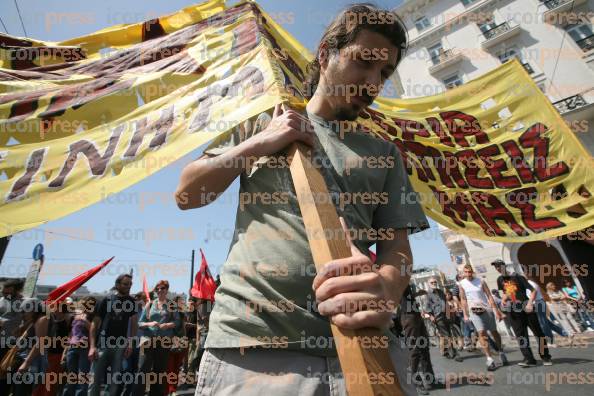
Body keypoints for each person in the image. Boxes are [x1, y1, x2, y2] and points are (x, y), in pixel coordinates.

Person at [175, 4, 429, 394]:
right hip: (255, 350)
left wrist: (387, 292)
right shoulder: (262, 120)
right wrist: (265, 140)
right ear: (326, 53)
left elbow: (397, 247)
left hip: (366, 345)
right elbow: (188, 193)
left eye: (385, 73)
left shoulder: (385, 153)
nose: (373, 83)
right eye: (364, 62)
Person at [492, 259, 552, 367]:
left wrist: (529, 303)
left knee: (538, 333)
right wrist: (504, 302)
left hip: (526, 308)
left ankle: (546, 356)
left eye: (499, 266)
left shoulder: (518, 277)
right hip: (513, 311)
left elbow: (533, 291)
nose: (497, 269)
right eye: (496, 267)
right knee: (521, 336)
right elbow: (505, 293)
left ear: (504, 266)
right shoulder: (500, 279)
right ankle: (529, 359)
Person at [88, 274, 138, 396]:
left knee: (114, 382)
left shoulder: (132, 302)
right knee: (95, 379)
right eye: (126, 284)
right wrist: (92, 346)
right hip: (102, 345)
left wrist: (130, 344)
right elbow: (94, 324)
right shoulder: (106, 300)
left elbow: (134, 324)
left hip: (120, 347)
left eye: (130, 284)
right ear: (117, 285)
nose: (128, 286)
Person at [133, 280, 180, 396]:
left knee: (159, 372)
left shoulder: (171, 305)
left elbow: (178, 322)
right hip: (148, 341)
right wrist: (149, 324)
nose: (159, 290)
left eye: (162, 288)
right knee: (142, 370)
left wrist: (167, 325)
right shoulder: (149, 304)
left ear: (167, 290)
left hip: (163, 342)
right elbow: (140, 323)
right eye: (157, 288)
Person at [458, 264, 507, 371]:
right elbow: (463, 299)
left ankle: (501, 351)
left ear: (472, 272)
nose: (468, 274)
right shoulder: (462, 284)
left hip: (487, 310)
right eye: (465, 272)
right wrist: (466, 314)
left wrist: (496, 311)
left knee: (494, 332)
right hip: (474, 312)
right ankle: (489, 359)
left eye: (469, 272)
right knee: (481, 333)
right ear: (463, 273)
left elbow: (489, 295)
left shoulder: (480, 281)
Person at [398, 284, 435, 396]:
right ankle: (416, 383)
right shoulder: (397, 278)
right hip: (408, 316)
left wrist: (416, 294)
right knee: (415, 351)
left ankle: (430, 380)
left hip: (415, 314)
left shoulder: (405, 280)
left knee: (424, 348)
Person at [11, 298, 49, 396]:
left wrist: (26, 364)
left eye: (24, 311)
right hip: (24, 360)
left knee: (22, 391)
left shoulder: (42, 319)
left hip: (31, 363)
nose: (22, 314)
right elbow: (17, 334)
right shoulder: (34, 321)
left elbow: (40, 343)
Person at [423, 277, 462, 362]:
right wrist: (431, 317)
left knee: (446, 334)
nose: (434, 283)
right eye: (432, 282)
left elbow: (446, 304)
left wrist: (449, 315)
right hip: (438, 317)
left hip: (446, 315)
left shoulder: (440, 292)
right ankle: (455, 354)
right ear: (429, 284)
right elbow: (427, 308)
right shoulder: (428, 295)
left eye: (435, 282)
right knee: (446, 334)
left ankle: (445, 351)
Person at [62, 297, 95, 396]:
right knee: (71, 376)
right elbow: (71, 334)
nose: (85, 306)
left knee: (83, 377)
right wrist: (65, 351)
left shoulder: (94, 318)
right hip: (72, 347)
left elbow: (94, 332)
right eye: (83, 303)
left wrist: (86, 321)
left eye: (88, 304)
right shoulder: (75, 316)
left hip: (85, 348)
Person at [0, 278, 25, 392]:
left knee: (7, 373)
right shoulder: (1, 301)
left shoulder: (24, 303)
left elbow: (19, 321)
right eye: (3, 292)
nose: (4, 295)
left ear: (17, 291)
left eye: (7, 293)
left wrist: (3, 322)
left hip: (13, 344)